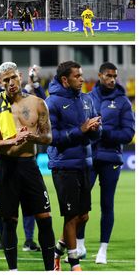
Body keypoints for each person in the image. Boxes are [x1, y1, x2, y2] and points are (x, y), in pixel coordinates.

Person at [0, 62, 56, 271]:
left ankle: (50, 269)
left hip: (29, 166)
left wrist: (33, 137)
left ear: (20, 76)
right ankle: (13, 270)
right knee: (9, 222)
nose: (11, 83)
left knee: (45, 219)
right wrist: (11, 141)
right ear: (0, 82)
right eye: (6, 80)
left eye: (13, 77)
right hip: (6, 167)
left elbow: (48, 137)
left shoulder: (38, 103)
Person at [46, 60, 101, 271]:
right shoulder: (52, 102)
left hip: (84, 163)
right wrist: (81, 130)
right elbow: (51, 137)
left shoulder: (87, 99)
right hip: (63, 165)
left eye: (81, 75)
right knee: (71, 216)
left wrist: (95, 129)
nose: (82, 79)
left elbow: (96, 131)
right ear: (65, 80)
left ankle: (57, 251)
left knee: (83, 216)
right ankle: (74, 264)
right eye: (77, 76)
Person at [81, 62, 135, 264]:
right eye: (108, 76)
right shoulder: (87, 98)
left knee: (107, 204)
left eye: (114, 76)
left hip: (111, 158)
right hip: (89, 158)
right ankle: (80, 245)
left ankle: (102, 250)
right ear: (100, 76)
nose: (112, 79)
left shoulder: (123, 102)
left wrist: (103, 133)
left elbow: (128, 134)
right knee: (81, 203)